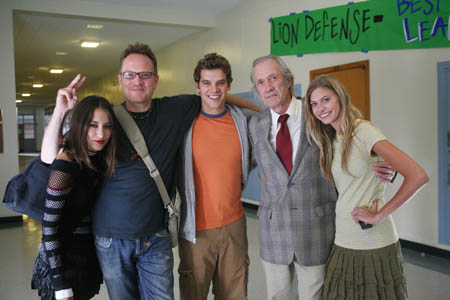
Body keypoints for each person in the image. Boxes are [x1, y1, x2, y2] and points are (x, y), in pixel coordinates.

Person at [40, 42, 260, 300]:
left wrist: (266, 114)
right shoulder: (105, 121)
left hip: (156, 237)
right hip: (111, 240)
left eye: (145, 74)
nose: (137, 81)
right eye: (130, 74)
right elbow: (50, 158)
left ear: (155, 80)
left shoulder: (175, 109)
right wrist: (60, 111)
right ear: (120, 80)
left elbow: (214, 95)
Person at [248, 55, 396, 300]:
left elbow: (356, 145)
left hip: (316, 230)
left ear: (288, 80)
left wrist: (387, 166)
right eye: (260, 82)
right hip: (273, 232)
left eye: (273, 78)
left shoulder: (318, 115)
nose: (268, 87)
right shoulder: (256, 125)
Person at [304, 74, 428, 299]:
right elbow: (359, 175)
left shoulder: (361, 131)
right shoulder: (332, 138)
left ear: (340, 98)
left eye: (326, 100)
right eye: (314, 103)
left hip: (372, 242)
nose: (320, 108)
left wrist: (379, 215)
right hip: (343, 239)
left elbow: (417, 175)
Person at [177, 53, 253, 300]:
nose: (214, 89)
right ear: (197, 86)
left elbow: (267, 116)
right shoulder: (184, 124)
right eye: (207, 83)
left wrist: (228, 100)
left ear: (229, 84)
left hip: (235, 226)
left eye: (220, 83)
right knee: (193, 294)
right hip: (196, 231)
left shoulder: (241, 121)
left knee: (235, 295)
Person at [31, 94, 116, 300]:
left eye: (107, 126)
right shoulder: (65, 165)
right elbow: (49, 227)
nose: (100, 133)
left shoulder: (96, 160)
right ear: (79, 126)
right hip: (63, 264)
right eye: (92, 125)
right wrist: (60, 284)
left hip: (86, 257)